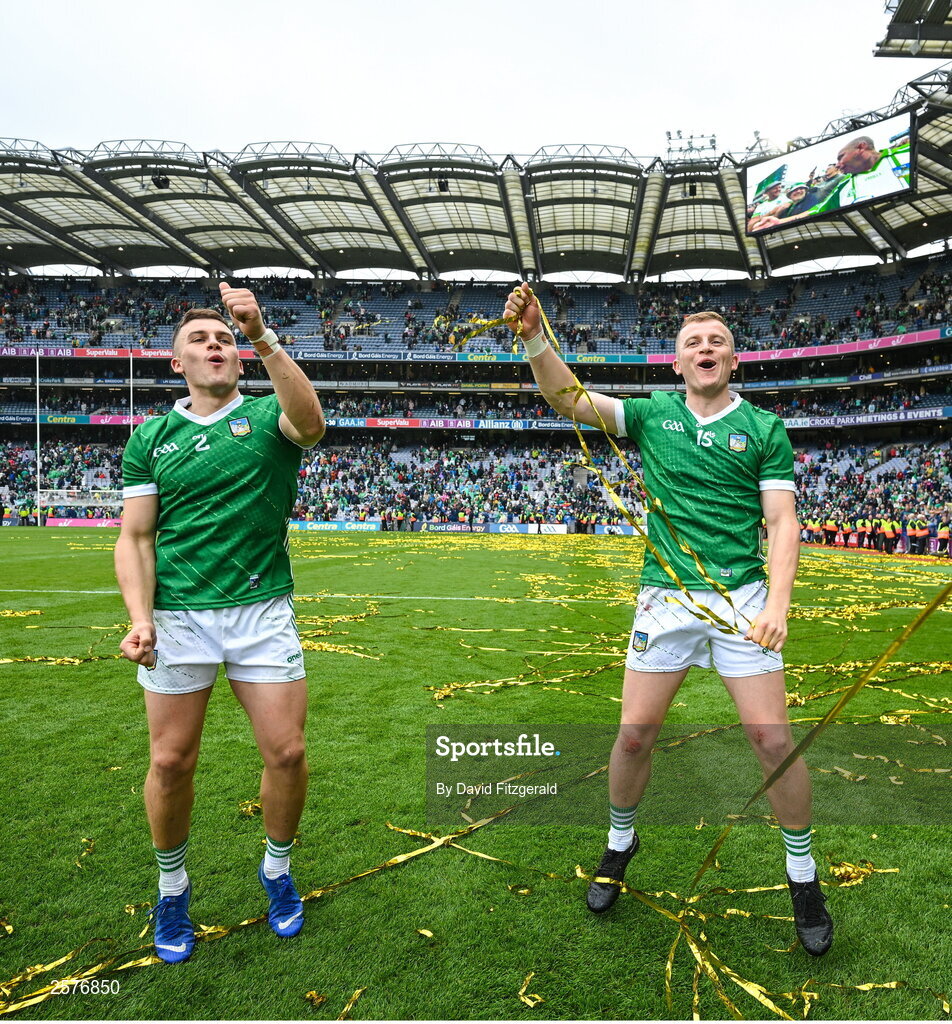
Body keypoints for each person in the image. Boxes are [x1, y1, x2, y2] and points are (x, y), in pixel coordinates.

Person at [502, 285, 833, 957]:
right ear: (676, 364)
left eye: (716, 342)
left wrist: (777, 604)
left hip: (740, 599)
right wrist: (537, 337)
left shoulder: (764, 429)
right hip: (667, 599)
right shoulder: (652, 415)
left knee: (774, 745)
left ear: (733, 361)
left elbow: (782, 521)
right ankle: (621, 842)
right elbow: (569, 399)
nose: (704, 349)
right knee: (631, 738)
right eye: (692, 344)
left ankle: (802, 875)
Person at [114, 283, 326, 964]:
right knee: (172, 761)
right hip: (178, 619)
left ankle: (277, 869)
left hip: (260, 614)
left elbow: (313, 424)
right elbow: (136, 539)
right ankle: (172, 888)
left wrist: (261, 334)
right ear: (177, 364)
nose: (216, 346)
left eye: (224, 339)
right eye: (200, 341)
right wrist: (140, 618)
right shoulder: (152, 437)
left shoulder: (269, 417)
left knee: (287, 753)